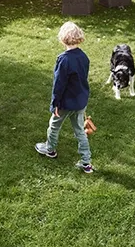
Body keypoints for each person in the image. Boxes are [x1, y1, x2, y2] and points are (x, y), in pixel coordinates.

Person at [35, 22, 93, 173]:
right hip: (80, 101)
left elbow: (59, 84)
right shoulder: (84, 57)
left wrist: (55, 103)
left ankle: (50, 149)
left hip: (65, 103)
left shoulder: (64, 59)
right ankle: (86, 163)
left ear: (63, 38)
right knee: (80, 130)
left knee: (54, 125)